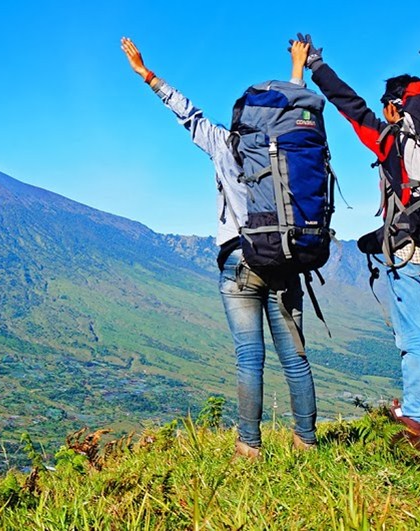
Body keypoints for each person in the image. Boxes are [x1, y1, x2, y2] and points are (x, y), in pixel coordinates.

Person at [295, 29, 420, 451]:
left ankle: (418, 424)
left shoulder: (390, 137)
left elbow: (349, 104)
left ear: (393, 105)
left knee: (415, 342)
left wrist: (315, 64)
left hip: (410, 258)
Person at [120, 37, 318, 458]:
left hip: (240, 262)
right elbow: (291, 114)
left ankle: (249, 446)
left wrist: (146, 74)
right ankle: (306, 442)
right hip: (286, 256)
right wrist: (297, 69)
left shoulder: (223, 143)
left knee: (250, 359)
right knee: (295, 359)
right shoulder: (284, 147)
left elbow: (187, 112)